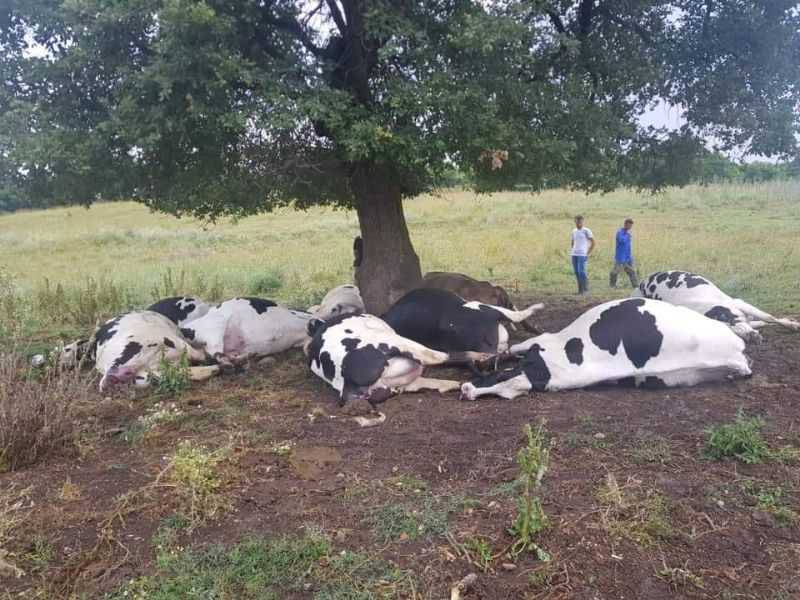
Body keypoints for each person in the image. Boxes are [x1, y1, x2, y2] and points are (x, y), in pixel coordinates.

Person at [610, 218, 639, 289]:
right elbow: (621, 241)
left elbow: (628, 246)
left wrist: (630, 257)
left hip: (628, 257)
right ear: (625, 224)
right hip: (620, 257)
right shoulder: (620, 232)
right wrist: (627, 236)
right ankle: (612, 285)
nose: (630, 227)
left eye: (631, 226)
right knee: (615, 272)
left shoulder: (628, 234)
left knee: (632, 272)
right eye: (629, 225)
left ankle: (635, 286)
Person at [570, 215, 594, 295]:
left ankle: (586, 290)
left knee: (581, 272)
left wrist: (587, 253)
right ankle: (580, 290)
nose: (578, 223)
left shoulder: (586, 231)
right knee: (576, 272)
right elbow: (573, 242)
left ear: (582, 221)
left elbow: (593, 243)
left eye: (579, 221)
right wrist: (573, 250)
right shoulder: (574, 231)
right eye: (576, 221)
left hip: (582, 254)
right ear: (575, 221)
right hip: (574, 254)